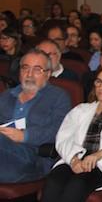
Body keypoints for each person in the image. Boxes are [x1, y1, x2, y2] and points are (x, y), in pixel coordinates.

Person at [41, 66, 102, 202]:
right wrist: (73, 159)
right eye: (99, 81)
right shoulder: (81, 109)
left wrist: (99, 154)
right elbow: (63, 138)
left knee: (77, 184)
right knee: (53, 181)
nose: (101, 87)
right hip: (75, 158)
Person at [0, 49, 72, 183]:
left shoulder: (59, 97)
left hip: (32, 158)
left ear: (48, 74)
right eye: (25, 68)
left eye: (37, 69)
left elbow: (58, 131)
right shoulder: (6, 95)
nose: (29, 74)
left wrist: (25, 135)